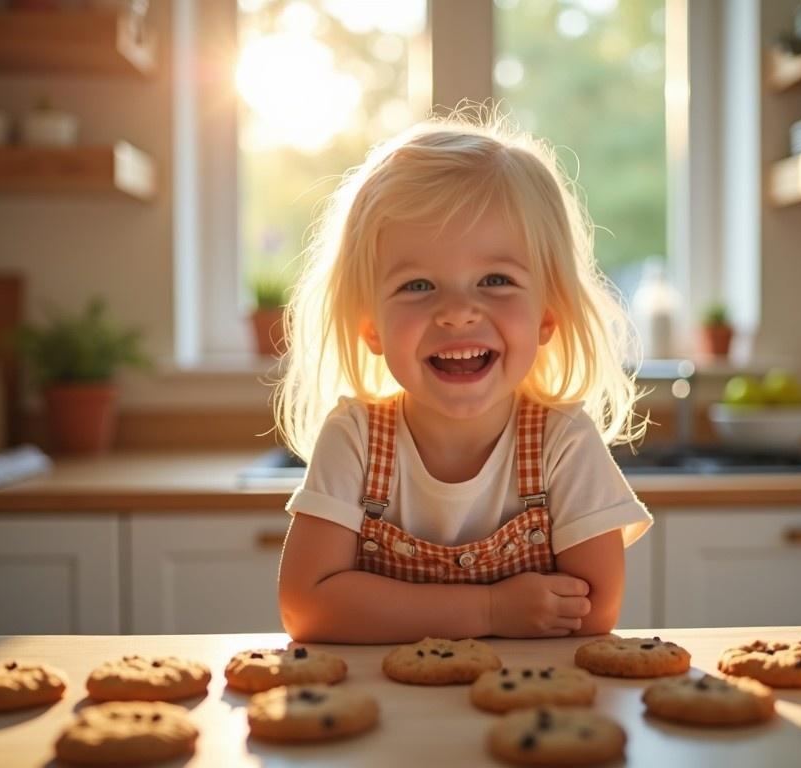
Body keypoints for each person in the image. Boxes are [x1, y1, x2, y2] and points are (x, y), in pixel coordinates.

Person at [275, 106, 652, 644]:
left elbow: (594, 609)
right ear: (372, 329)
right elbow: (307, 607)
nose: (457, 312)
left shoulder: (562, 442)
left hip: (531, 712)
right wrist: (491, 611)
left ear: (547, 316)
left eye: (495, 279)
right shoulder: (355, 438)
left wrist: (379, 606)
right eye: (418, 285)